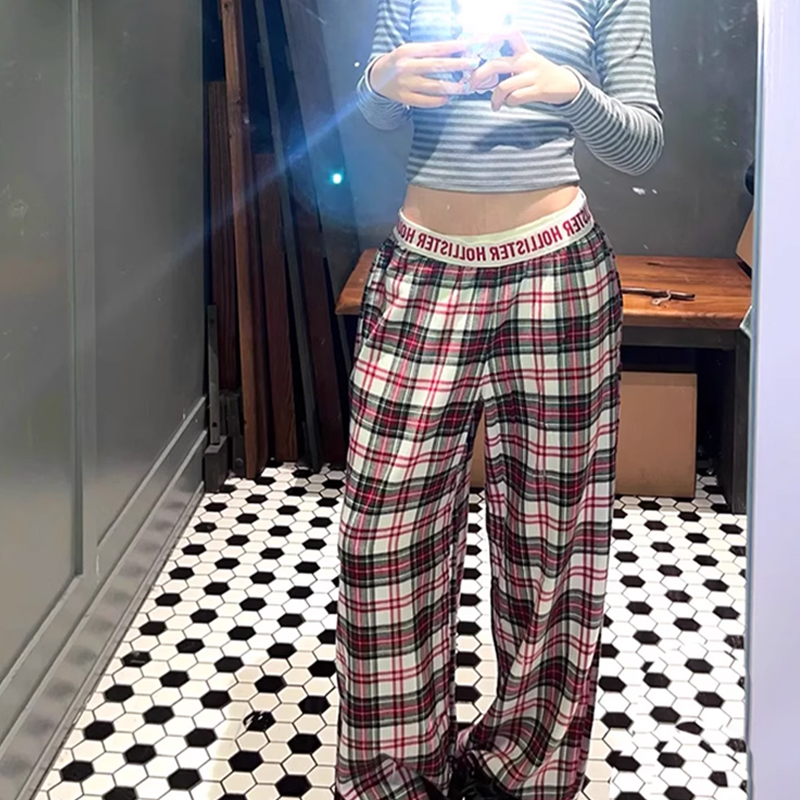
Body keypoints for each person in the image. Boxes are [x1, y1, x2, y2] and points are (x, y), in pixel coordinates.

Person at [335, 1, 663, 799]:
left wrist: (568, 90)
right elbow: (375, 111)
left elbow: (644, 141)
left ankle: (527, 765)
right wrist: (382, 80)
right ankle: (395, 773)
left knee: (552, 542)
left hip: (559, 272)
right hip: (423, 270)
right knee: (381, 539)